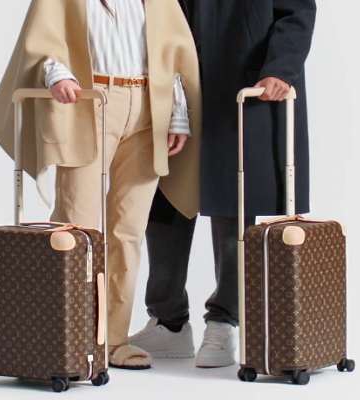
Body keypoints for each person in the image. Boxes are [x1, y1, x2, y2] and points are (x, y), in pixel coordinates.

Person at [0, 0, 201, 370]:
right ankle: (71, 333)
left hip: (149, 106)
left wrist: (179, 113)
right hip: (90, 101)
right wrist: (57, 74)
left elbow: (173, 51)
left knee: (128, 231)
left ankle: (114, 339)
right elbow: (42, 44)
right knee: (78, 226)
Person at [130, 0, 317, 368]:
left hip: (243, 81)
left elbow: (297, 10)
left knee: (235, 200)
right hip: (176, 82)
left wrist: (280, 67)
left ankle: (225, 321)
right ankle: (168, 322)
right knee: (163, 195)